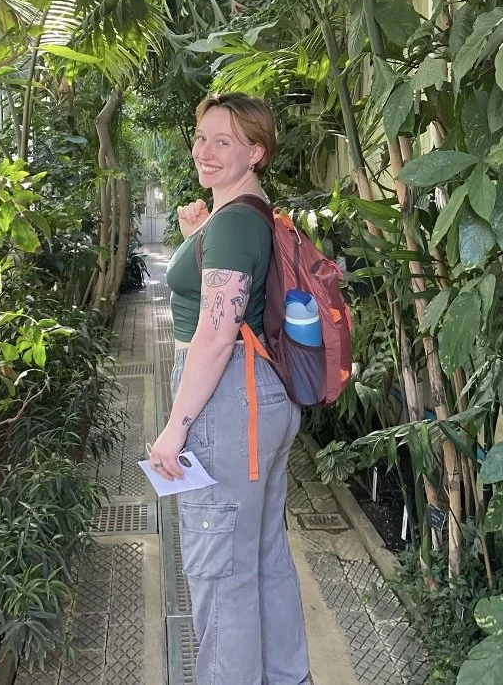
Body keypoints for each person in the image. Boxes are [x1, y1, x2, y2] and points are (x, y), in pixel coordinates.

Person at [149, 92, 311, 685]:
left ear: (256, 152)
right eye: (201, 137)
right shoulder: (245, 213)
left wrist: (175, 428)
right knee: (262, 556)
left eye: (224, 141)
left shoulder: (237, 222)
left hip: (226, 400)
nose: (205, 151)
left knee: (220, 569)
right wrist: (199, 234)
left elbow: (216, 334)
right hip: (257, 394)